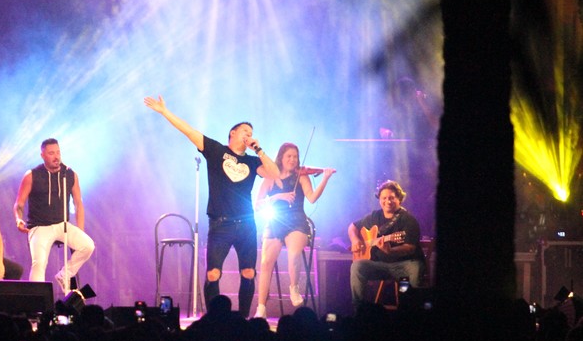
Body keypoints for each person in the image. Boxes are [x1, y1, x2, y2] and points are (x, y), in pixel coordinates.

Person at [144, 95, 280, 318]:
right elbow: (189, 131)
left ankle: (243, 320)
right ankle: (215, 319)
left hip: (246, 223)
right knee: (213, 273)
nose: (248, 135)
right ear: (232, 133)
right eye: (244, 131)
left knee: (248, 273)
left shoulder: (254, 161)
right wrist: (164, 112)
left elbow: (276, 175)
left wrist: (259, 150)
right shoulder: (217, 151)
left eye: (251, 132)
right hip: (220, 224)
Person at [253, 143, 336, 318]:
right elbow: (257, 205)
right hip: (275, 221)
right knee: (265, 262)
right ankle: (261, 307)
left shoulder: (302, 176)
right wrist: (277, 197)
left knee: (294, 253)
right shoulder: (270, 177)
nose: (292, 160)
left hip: (297, 221)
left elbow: (312, 198)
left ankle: (294, 287)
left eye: (295, 157)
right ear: (281, 158)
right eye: (289, 156)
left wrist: (325, 178)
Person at [13, 138, 95, 289]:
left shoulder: (70, 174)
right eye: (51, 153)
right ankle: (37, 302)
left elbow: (78, 204)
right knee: (39, 263)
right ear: (43, 155)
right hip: (39, 227)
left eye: (58, 152)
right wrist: (18, 219)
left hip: (62, 224)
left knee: (87, 245)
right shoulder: (32, 175)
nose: (56, 156)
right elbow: (19, 203)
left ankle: (65, 275)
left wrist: (80, 230)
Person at [347, 179, 425, 312]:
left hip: (403, 267)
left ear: (399, 199)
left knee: (415, 268)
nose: (387, 201)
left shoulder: (408, 220)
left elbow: (410, 247)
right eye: (384, 198)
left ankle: (411, 311)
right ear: (379, 200)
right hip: (380, 266)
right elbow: (352, 227)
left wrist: (391, 251)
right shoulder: (374, 216)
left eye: (392, 198)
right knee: (357, 266)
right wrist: (355, 240)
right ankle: (359, 310)